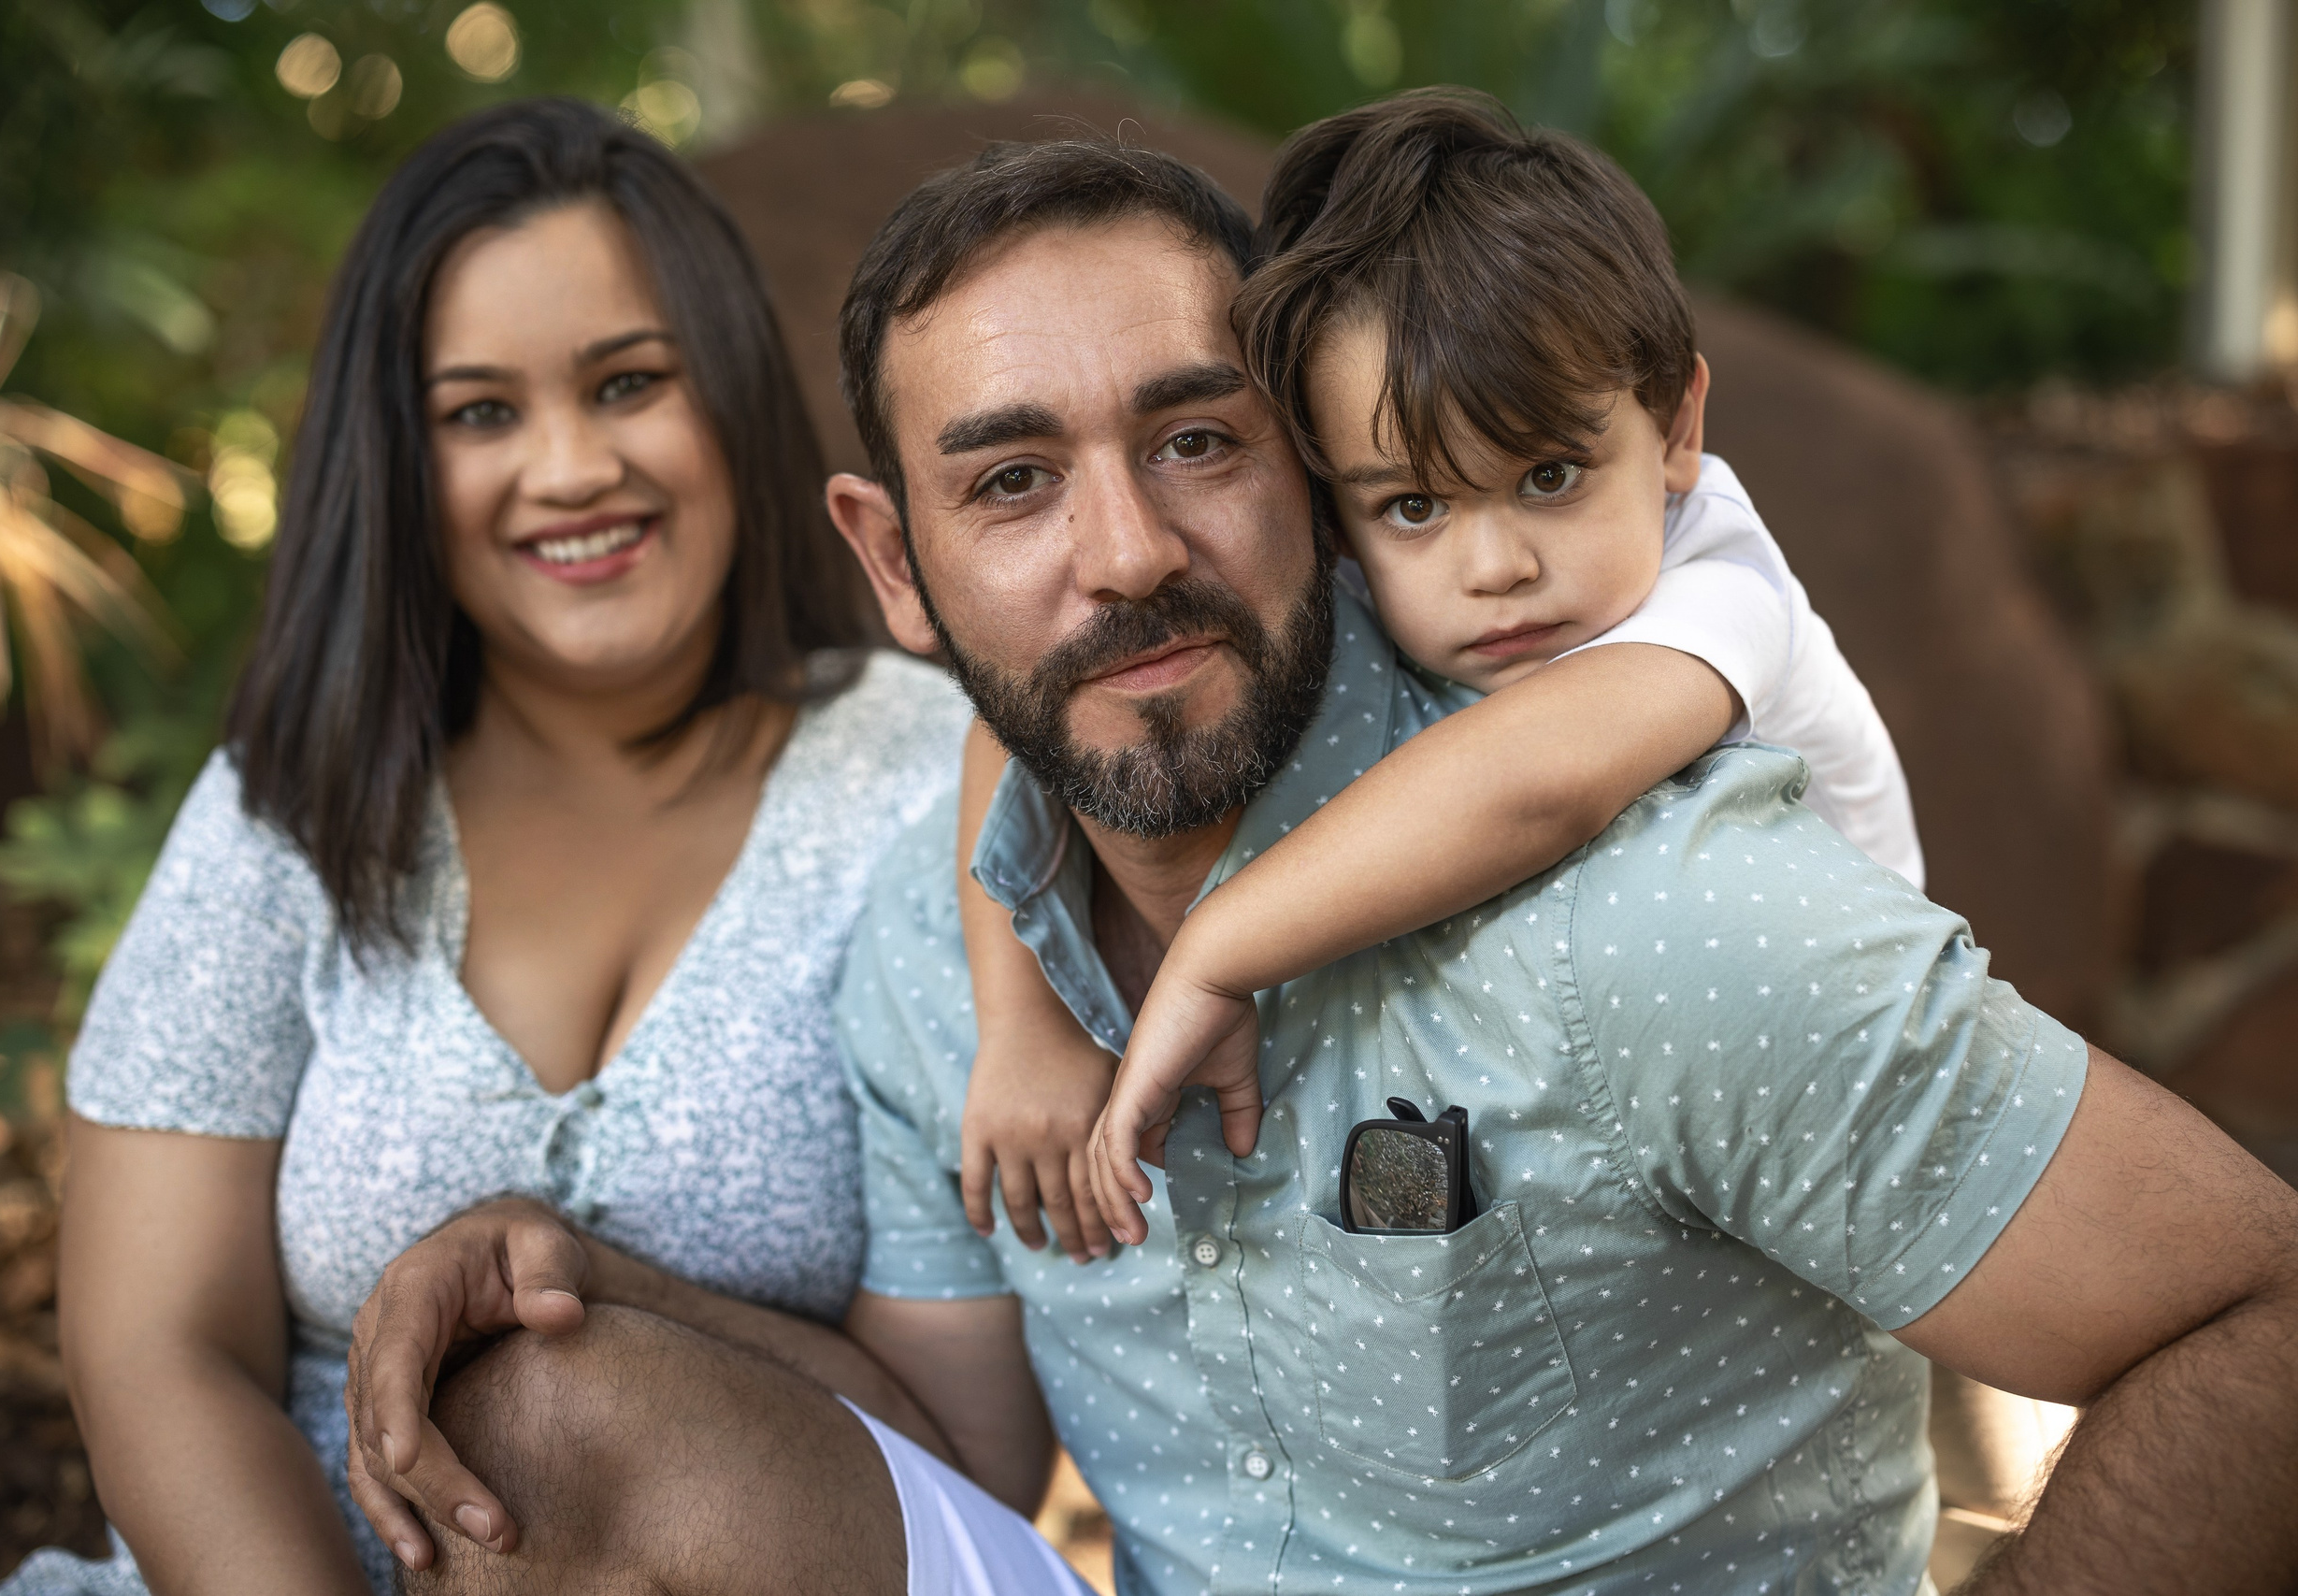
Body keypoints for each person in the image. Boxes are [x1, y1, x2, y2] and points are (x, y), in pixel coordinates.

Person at [346, 131, 2298, 1596]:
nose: (1119, 552)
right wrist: (596, 1283)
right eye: (1010, 481)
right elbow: (962, 1451)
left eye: (1193, 439)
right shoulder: (942, 957)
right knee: (546, 1409)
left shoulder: (1650, 906)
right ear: (891, 565)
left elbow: (2249, 1313)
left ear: (1309, 459)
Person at [0, 98, 1004, 1596]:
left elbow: (963, 1466)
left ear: (729, 390)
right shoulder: (299, 800)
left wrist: (613, 1292)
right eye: (481, 412)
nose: (570, 466)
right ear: (401, 463)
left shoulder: (931, 776)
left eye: (629, 382)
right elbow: (158, 1346)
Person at [942, 91, 1922, 1266]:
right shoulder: (1371, 573)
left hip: (1836, 1101)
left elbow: (1537, 783)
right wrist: (1023, 1022)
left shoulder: (1721, 586)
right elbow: (1027, 714)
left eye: (1551, 476)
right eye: (1413, 504)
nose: (1496, 567)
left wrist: (1212, 949)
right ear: (1335, 509)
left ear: (1672, 427)